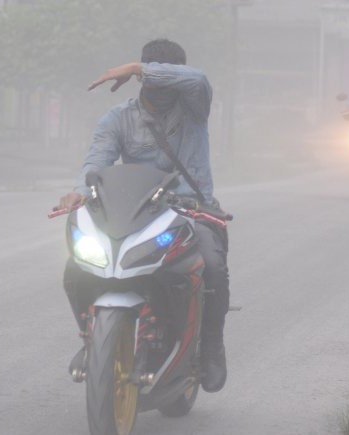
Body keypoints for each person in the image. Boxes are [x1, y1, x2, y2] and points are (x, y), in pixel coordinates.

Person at [58, 39, 229, 393]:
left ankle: (211, 348)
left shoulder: (195, 107)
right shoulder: (117, 119)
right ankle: (93, 339)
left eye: (171, 78)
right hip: (137, 212)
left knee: (212, 265)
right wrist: (78, 190)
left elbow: (197, 80)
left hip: (189, 210)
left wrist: (138, 68)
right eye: (154, 77)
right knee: (77, 266)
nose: (163, 87)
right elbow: (97, 162)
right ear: (143, 81)